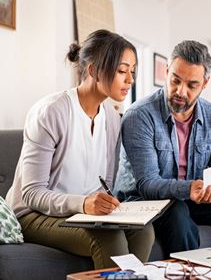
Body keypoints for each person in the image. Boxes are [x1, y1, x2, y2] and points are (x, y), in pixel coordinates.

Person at [5, 29, 154, 269]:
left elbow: (103, 183)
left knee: (144, 231)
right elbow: (31, 194)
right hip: (33, 215)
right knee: (110, 238)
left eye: (132, 72)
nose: (130, 80)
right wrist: (84, 203)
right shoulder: (51, 112)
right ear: (94, 70)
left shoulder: (113, 119)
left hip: (81, 214)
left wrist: (106, 205)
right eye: (122, 71)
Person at [117, 40, 211, 257]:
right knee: (178, 211)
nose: (180, 91)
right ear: (166, 72)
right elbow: (147, 184)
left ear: (205, 83)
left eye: (191, 85)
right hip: (145, 201)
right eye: (175, 80)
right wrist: (189, 188)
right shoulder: (140, 116)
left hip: (191, 197)